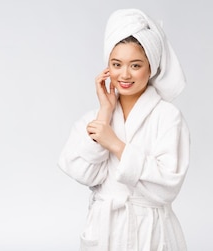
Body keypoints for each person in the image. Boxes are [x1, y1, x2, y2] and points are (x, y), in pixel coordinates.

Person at [58, 9, 190, 251]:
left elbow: (168, 185)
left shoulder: (168, 117)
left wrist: (116, 145)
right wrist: (105, 114)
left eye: (136, 65)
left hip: (152, 232)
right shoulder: (96, 118)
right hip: (106, 231)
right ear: (107, 67)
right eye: (116, 64)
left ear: (151, 68)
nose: (125, 74)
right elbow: (82, 172)